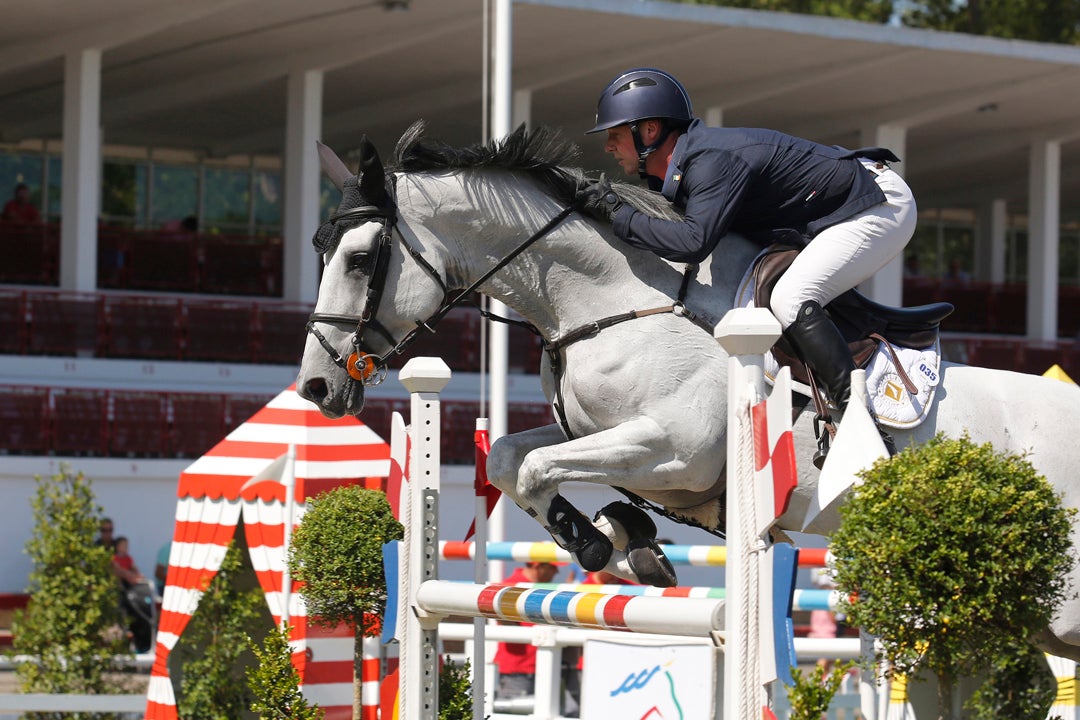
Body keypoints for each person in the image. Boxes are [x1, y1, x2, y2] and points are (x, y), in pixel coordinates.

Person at [576, 68, 916, 462]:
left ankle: (858, 423)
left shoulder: (710, 162)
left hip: (878, 205)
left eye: (615, 134)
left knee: (793, 297)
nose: (608, 147)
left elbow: (692, 243)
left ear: (649, 130)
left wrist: (618, 212)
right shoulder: (685, 166)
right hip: (832, 212)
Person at [494, 561, 563, 701]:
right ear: (539, 566)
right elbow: (504, 623)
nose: (557, 572)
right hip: (519, 667)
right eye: (553, 568)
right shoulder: (510, 587)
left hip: (539, 663)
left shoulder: (516, 586)